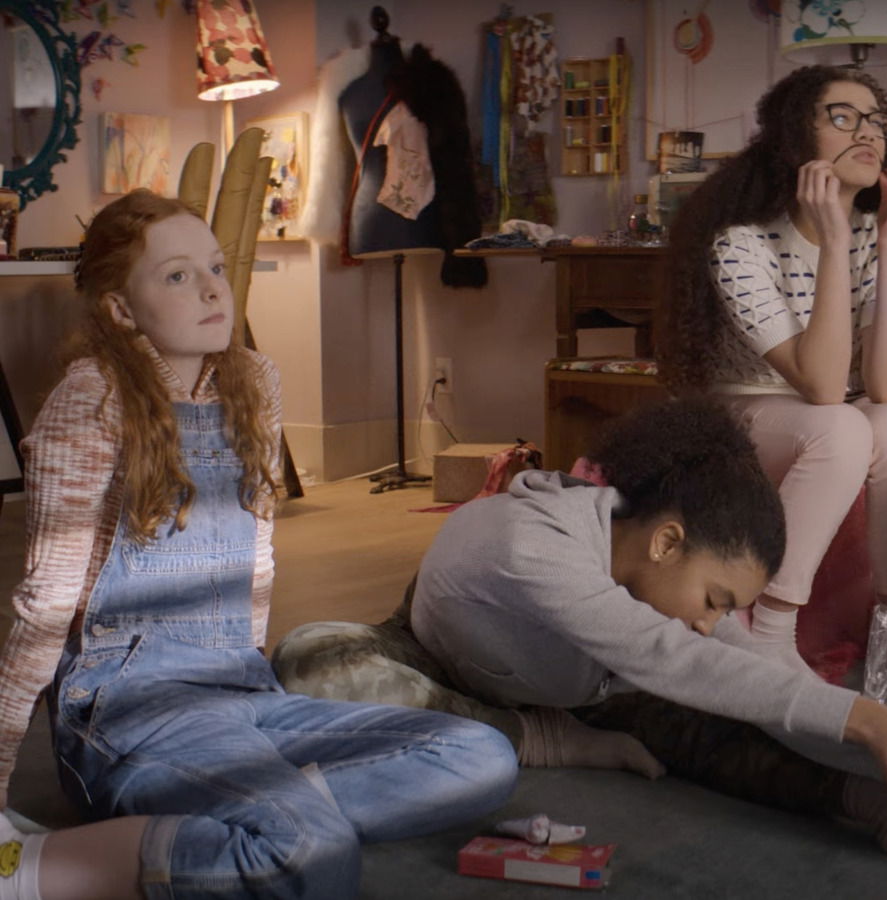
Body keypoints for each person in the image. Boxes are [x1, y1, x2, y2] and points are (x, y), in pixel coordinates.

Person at [0, 190, 516, 899]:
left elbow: (257, 559)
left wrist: (250, 686)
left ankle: (262, 820)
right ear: (121, 309)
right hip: (129, 706)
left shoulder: (254, 381)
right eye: (177, 275)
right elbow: (45, 603)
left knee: (483, 756)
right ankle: (36, 867)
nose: (214, 288)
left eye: (215, 266)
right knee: (310, 857)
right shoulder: (92, 398)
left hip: (240, 688)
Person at [273, 397, 887, 856]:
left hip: (581, 681)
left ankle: (881, 807)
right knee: (314, 660)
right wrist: (874, 722)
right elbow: (673, 656)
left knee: (718, 719)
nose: (714, 622)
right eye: (716, 599)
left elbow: (747, 667)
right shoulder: (533, 545)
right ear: (666, 542)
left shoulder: (654, 580)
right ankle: (545, 739)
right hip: (441, 661)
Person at [658, 65, 887, 678]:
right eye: (842, 117)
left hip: (831, 411)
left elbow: (886, 386)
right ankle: (770, 630)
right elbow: (823, 385)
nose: (867, 132)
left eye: (876, 120)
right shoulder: (741, 242)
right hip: (745, 410)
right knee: (840, 426)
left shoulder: (882, 234)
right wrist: (833, 244)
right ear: (794, 139)